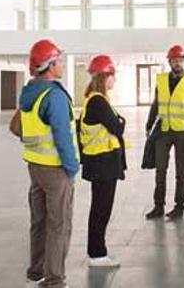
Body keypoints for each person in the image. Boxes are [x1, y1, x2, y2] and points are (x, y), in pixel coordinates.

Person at [19, 40, 80, 288]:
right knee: (59, 225)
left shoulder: (29, 92)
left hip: (35, 167)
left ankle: (35, 274)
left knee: (39, 223)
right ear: (49, 65)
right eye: (59, 61)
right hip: (56, 170)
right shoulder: (53, 95)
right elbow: (62, 136)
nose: (63, 65)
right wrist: (72, 166)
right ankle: (54, 280)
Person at [145, 45, 184, 220]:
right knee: (160, 169)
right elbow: (156, 104)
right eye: (174, 60)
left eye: (180, 60)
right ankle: (158, 206)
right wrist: (149, 125)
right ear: (169, 61)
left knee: (181, 171)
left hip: (181, 133)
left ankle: (179, 206)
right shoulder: (161, 79)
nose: (177, 63)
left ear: (183, 61)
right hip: (163, 131)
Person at [79, 55, 126, 268]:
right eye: (112, 75)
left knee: (100, 207)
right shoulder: (98, 100)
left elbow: (116, 124)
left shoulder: (96, 98)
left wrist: (118, 122)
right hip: (102, 163)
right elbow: (118, 127)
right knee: (101, 208)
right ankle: (97, 254)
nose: (114, 80)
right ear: (104, 76)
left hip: (101, 162)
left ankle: (96, 251)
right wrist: (119, 122)